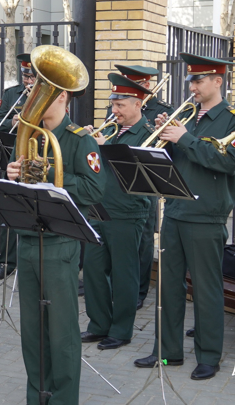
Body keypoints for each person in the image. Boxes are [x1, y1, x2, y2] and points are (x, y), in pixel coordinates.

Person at [133, 53, 235, 381]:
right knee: (167, 285)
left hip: (207, 214)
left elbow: (227, 162)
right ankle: (166, 353)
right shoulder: (188, 116)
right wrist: (164, 139)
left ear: (217, 81)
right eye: (191, 81)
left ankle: (209, 356)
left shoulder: (234, 119)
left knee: (206, 288)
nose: (193, 87)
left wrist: (185, 138)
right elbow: (172, 161)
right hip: (176, 209)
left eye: (199, 81)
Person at [5, 87, 105, 404]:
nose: (34, 98)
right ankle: (37, 396)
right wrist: (11, 174)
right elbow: (15, 183)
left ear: (62, 96)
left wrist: (50, 172)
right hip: (28, 240)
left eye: (44, 91)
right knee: (33, 334)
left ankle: (63, 399)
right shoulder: (28, 134)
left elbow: (93, 190)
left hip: (60, 243)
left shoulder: (79, 139)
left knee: (61, 334)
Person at [81, 73, 155, 350]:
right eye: (113, 104)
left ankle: (121, 330)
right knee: (94, 270)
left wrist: (105, 147)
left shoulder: (148, 133)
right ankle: (99, 325)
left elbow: (137, 167)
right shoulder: (110, 129)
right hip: (98, 207)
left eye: (121, 105)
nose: (114, 111)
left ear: (138, 104)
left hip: (127, 210)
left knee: (125, 274)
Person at [109, 64, 174, 310]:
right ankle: (121, 288)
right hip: (116, 198)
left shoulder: (159, 111)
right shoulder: (116, 111)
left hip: (140, 197)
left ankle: (139, 290)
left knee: (144, 241)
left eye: (139, 83)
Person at [0, 53, 36, 281]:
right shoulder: (11, 94)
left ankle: (29, 262)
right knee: (7, 212)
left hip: (35, 160)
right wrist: (12, 122)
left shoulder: (46, 95)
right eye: (26, 76)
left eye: (32, 77)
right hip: (11, 159)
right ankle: (5, 262)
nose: (28, 81)